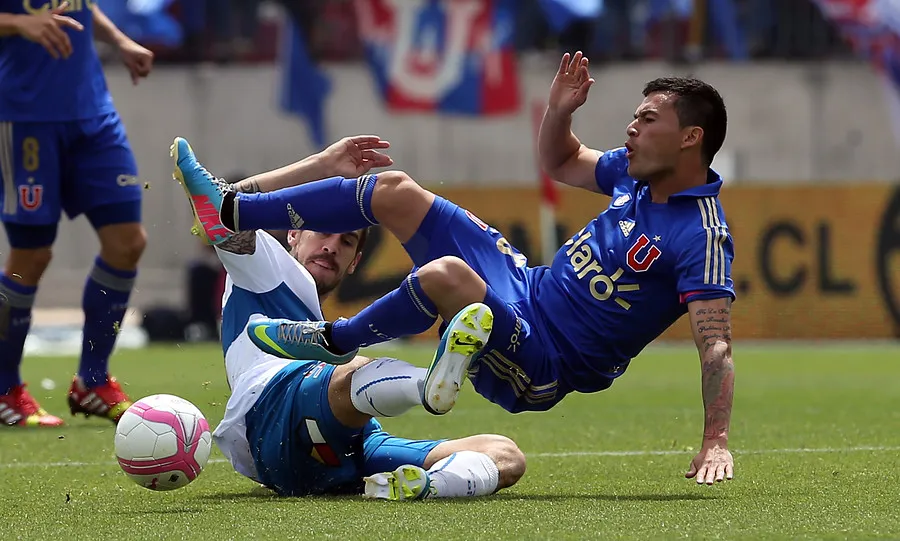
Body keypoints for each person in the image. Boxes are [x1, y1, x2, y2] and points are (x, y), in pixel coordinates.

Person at [173, 51, 736, 487]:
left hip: (546, 357)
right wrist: (561, 111)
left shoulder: (701, 235)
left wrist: (716, 440)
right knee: (394, 190)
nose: (632, 128)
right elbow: (562, 160)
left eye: (647, 119)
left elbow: (715, 347)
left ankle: (334, 339)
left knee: (448, 277)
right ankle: (231, 207)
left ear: (691, 138)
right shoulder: (633, 173)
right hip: (523, 283)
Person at [171, 136, 525, 499]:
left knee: (504, 454)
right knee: (351, 367)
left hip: (342, 450)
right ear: (293, 234)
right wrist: (322, 165)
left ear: (355, 262)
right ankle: (425, 385)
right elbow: (225, 207)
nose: (331, 247)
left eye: (347, 242)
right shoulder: (265, 267)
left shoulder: (309, 307)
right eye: (322, 231)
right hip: (271, 415)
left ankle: (429, 486)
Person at [0, 1, 154, 426]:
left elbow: (81, 9)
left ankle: (92, 380)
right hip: (26, 119)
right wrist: (17, 23)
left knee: (128, 243)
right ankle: (4, 387)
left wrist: (120, 40)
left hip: (94, 116)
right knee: (31, 256)